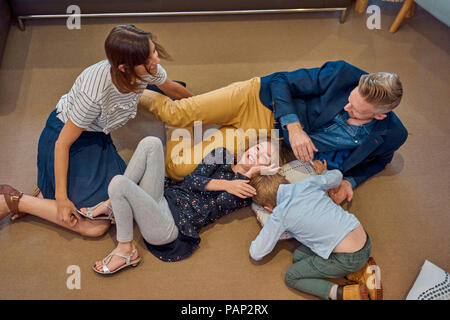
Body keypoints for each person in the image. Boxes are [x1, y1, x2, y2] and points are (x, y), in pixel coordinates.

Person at [0, 25, 192, 236]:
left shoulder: (149, 70)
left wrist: (201, 105)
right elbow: (62, 144)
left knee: (121, 201)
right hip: (69, 139)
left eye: (154, 51)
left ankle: (43, 198)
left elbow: (171, 87)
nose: (156, 61)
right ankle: (14, 201)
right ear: (123, 67)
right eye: (147, 60)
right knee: (96, 226)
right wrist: (62, 200)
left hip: (98, 136)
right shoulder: (94, 93)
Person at [139, 60, 408, 204]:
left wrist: (351, 181)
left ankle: (189, 114)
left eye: (356, 110)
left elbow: (380, 160)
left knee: (177, 169)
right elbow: (281, 80)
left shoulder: (393, 134)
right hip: (257, 98)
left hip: (265, 138)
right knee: (172, 112)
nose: (347, 106)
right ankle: (128, 89)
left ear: (380, 115)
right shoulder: (341, 73)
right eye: (350, 98)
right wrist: (295, 126)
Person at [85, 136, 280, 274]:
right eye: (257, 148)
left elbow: (219, 204)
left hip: (170, 227)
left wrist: (250, 174)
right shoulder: (222, 154)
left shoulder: (245, 191)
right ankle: (112, 205)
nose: (256, 154)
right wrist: (228, 184)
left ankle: (126, 249)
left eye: (264, 157)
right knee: (150, 143)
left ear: (266, 168)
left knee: (119, 183)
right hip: (162, 198)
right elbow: (190, 181)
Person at [248, 163, 382, 300]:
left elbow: (257, 253)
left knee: (291, 276)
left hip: (349, 258)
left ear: (268, 208)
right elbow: (337, 176)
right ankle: (358, 270)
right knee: (298, 256)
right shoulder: (308, 183)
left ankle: (342, 292)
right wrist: (323, 173)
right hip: (365, 239)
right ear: (287, 181)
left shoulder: (278, 216)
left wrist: (267, 225)